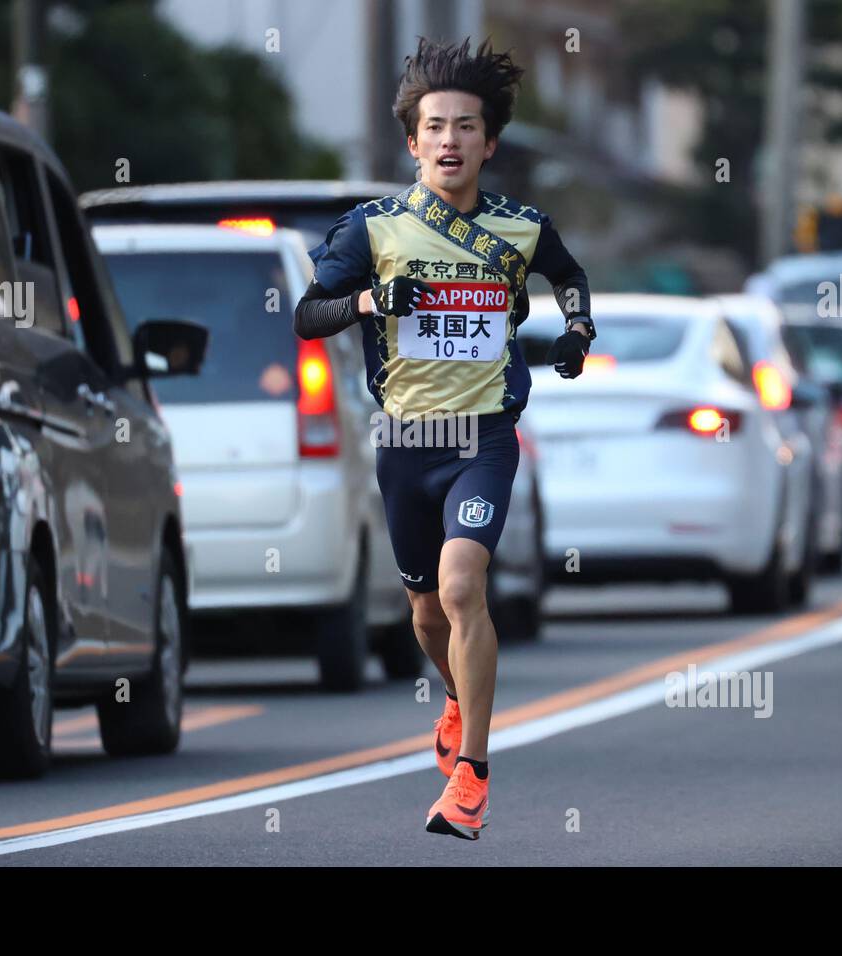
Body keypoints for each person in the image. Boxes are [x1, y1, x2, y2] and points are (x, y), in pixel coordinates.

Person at [293, 36, 593, 840]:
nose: (450, 140)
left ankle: (473, 780)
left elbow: (566, 274)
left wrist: (578, 330)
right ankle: (458, 698)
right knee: (426, 613)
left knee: (464, 588)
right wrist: (371, 302)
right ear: (413, 141)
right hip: (405, 445)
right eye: (435, 126)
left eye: (466, 126)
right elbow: (306, 316)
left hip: (483, 440)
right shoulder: (374, 229)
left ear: (489, 142)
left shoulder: (520, 229)